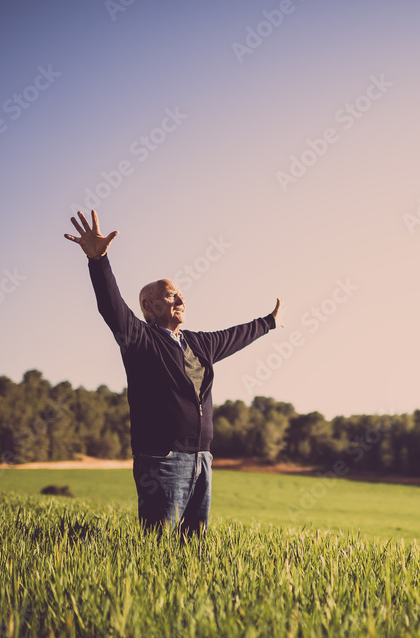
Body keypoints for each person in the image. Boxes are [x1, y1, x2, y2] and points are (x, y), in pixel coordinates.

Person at [64, 210, 284, 540]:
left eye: (180, 294)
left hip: (202, 459)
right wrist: (99, 262)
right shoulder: (139, 340)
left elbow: (234, 335)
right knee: (157, 544)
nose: (180, 299)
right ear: (149, 307)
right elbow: (112, 308)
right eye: (170, 295)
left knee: (192, 546)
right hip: (162, 459)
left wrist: (268, 323)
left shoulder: (199, 343)